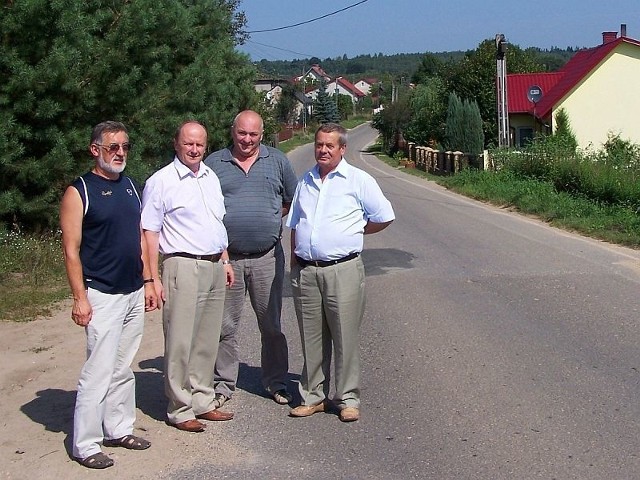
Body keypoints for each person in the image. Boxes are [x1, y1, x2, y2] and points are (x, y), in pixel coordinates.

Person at [60, 121, 158, 469]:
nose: (119, 153)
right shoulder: (79, 191)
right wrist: (79, 297)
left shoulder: (131, 187)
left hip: (132, 289)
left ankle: (119, 428)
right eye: (112, 147)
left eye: (125, 147)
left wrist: (148, 280)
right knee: (98, 370)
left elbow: (138, 238)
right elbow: (71, 250)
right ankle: (85, 443)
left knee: (122, 367)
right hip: (100, 293)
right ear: (94, 150)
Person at [286, 123, 395, 422]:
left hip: (343, 270)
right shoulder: (305, 180)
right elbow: (295, 223)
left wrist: (355, 230)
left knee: (345, 337)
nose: (322, 150)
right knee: (311, 339)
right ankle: (313, 396)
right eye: (319, 144)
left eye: (329, 146)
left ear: (342, 148)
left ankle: (347, 398)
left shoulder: (358, 180)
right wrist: (294, 260)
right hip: (307, 272)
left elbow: (384, 216)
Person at [141, 120, 235, 433]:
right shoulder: (162, 181)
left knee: (207, 340)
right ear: (177, 144)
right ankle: (180, 408)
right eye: (188, 144)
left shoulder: (210, 177)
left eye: (199, 144)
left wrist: (224, 260)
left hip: (213, 266)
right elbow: (149, 232)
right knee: (180, 341)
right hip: (182, 266)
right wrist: (151, 278)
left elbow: (215, 223)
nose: (194, 150)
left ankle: (203, 399)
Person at [204, 110, 298, 407]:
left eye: (253, 134)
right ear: (233, 131)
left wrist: (270, 216)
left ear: (261, 134)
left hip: (267, 258)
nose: (247, 140)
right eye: (242, 133)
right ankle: (223, 383)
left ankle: (276, 381)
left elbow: (291, 200)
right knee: (224, 326)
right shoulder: (214, 163)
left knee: (271, 325)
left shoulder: (278, 161)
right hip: (226, 259)